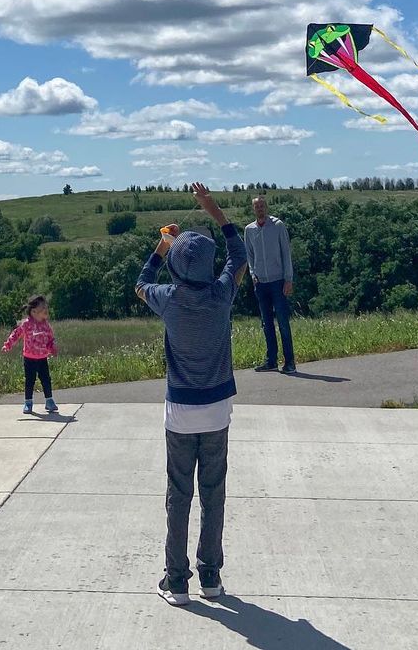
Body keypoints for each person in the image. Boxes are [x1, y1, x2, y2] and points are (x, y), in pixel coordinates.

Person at [135, 182, 246, 607]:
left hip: (180, 410)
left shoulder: (168, 298)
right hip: (217, 409)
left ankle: (176, 580)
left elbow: (141, 283)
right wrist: (214, 210)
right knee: (213, 493)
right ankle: (212, 576)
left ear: (178, 269)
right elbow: (239, 255)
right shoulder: (222, 294)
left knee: (179, 494)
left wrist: (162, 248)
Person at [244, 196, 296, 374]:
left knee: (282, 323)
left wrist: (288, 278)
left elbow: (286, 252)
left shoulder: (278, 225)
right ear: (253, 209)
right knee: (267, 324)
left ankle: (290, 362)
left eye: (262, 205)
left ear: (267, 207)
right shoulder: (249, 230)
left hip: (278, 281)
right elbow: (249, 254)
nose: (259, 208)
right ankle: (271, 360)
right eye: (256, 206)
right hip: (261, 283)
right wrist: (252, 274)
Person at [1, 295, 59, 414]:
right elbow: (16, 334)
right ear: (33, 312)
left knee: (46, 379)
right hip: (29, 358)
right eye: (42, 308)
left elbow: (50, 338)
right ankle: (28, 402)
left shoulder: (46, 325)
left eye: (46, 307)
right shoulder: (26, 324)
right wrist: (8, 345)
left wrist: (52, 347)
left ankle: (49, 401)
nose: (46, 310)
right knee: (30, 381)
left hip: (42, 357)